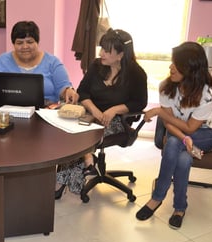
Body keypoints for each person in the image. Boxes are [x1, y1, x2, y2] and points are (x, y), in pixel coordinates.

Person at [135, 41, 212, 229]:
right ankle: (180, 208)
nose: (170, 67)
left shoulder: (207, 95)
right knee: (182, 158)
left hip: (207, 134)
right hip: (181, 136)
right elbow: (169, 122)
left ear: (191, 70)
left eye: (176, 64)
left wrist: (160, 112)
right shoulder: (167, 86)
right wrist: (183, 138)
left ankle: (157, 198)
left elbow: (190, 128)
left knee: (173, 143)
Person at [56, 28, 148, 195]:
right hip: (91, 114)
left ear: (120, 55)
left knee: (82, 135)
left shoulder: (137, 74)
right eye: (101, 48)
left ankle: (67, 180)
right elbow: (82, 91)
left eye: (107, 50)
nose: (101, 53)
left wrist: (114, 109)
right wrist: (94, 110)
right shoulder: (97, 66)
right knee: (70, 130)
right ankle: (81, 169)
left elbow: (139, 102)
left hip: (116, 121)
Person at [0, 20, 78, 105]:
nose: (25, 46)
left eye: (30, 42)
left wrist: (68, 91)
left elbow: (64, 88)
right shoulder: (1, 61)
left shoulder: (53, 63)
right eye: (19, 43)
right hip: (8, 114)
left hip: (45, 113)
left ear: (37, 42)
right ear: (13, 44)